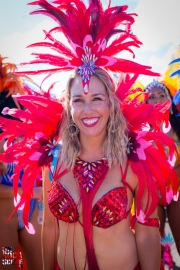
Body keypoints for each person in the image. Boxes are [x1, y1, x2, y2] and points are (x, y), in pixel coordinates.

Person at [0, 1, 178, 270]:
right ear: (68, 106)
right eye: (78, 100)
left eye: (97, 98)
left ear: (111, 104)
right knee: (7, 260)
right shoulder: (53, 159)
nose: (88, 109)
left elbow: (147, 234)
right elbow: (50, 229)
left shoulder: (134, 160)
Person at [0, 56, 43, 270]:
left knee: (40, 266)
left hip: (31, 211)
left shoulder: (13, 94)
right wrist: (33, 193)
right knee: (7, 264)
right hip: (4, 216)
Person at [145, 79, 180, 267]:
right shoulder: (137, 130)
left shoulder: (178, 125)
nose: (158, 100)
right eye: (152, 97)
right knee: (153, 249)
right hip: (150, 192)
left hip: (177, 191)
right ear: (145, 102)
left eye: (162, 95)